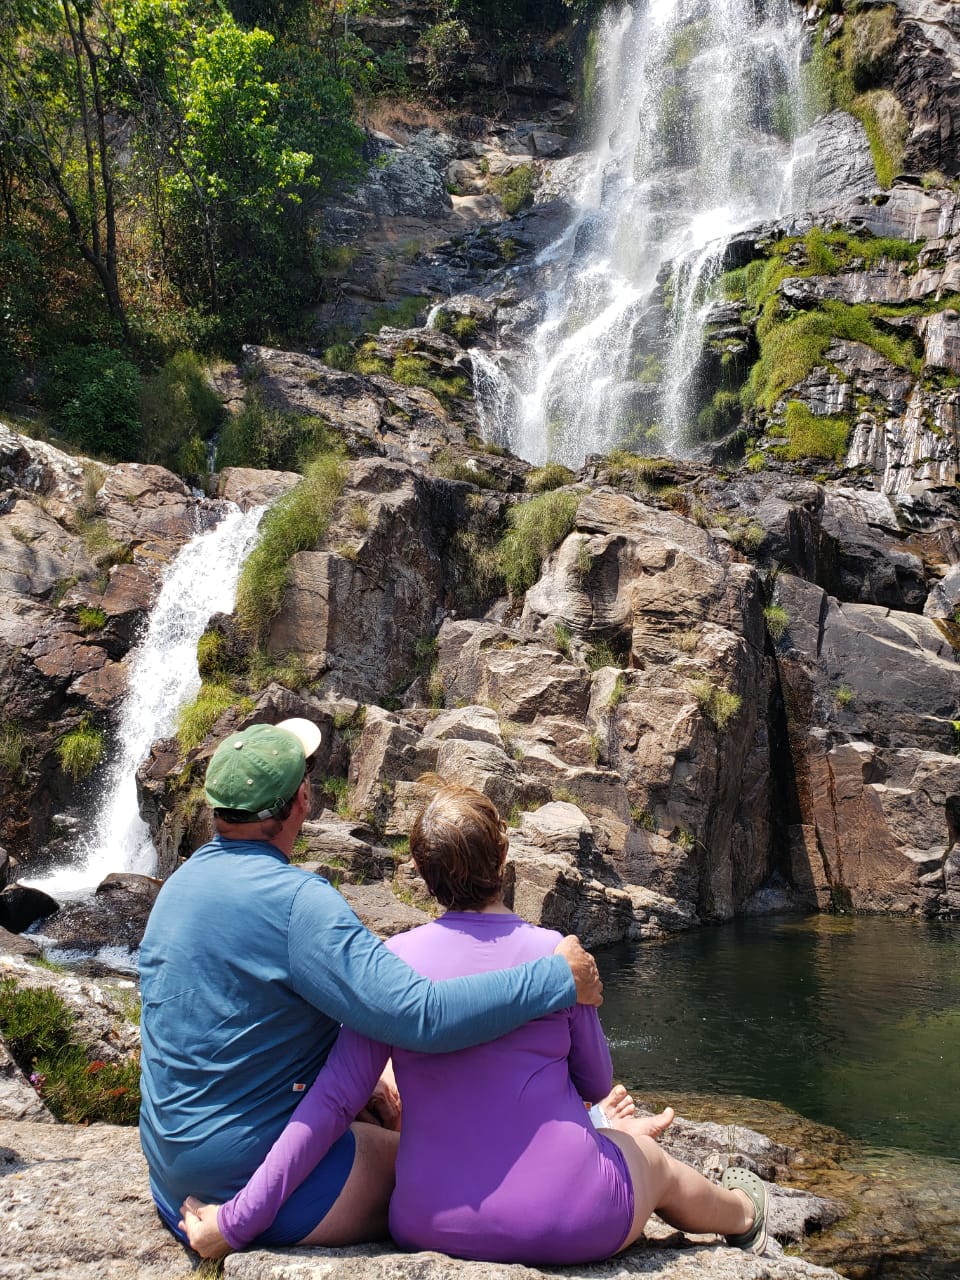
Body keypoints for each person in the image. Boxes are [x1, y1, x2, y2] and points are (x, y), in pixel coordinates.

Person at [178, 782, 767, 1264]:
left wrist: (235, 1221)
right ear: (504, 857)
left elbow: (330, 1102)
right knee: (653, 1164)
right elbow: (595, 1081)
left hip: (427, 1222)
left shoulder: (391, 968)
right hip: (567, 1219)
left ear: (422, 871)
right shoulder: (557, 957)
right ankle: (744, 1214)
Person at [139, 723, 604, 1251]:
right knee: (439, 1168)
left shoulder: (175, 889)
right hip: (247, 1179)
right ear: (302, 801)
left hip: (172, 1171)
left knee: (379, 1095)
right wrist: (555, 976)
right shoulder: (297, 903)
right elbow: (423, 1015)